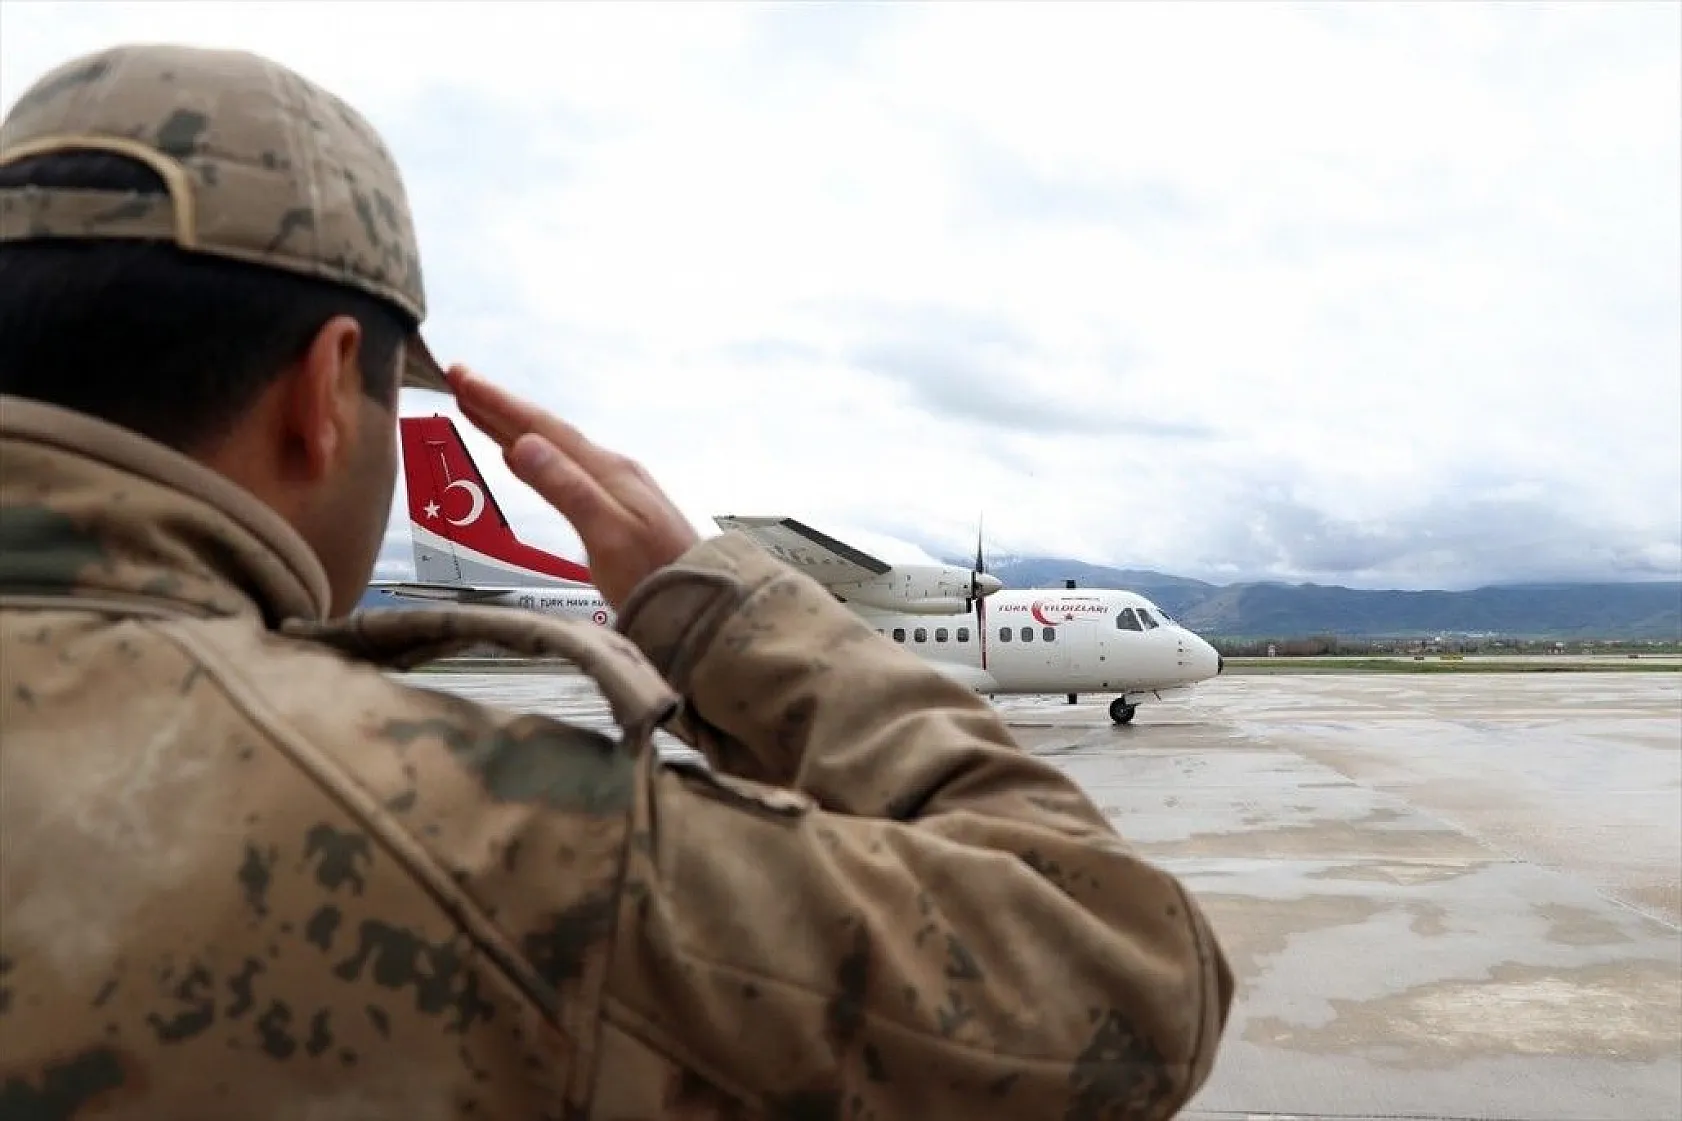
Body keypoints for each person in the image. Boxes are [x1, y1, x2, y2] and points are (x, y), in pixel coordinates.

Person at [0, 42, 1234, 1120]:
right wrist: (727, 607)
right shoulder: (525, 838)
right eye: (391, 392)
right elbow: (1125, 987)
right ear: (328, 392)